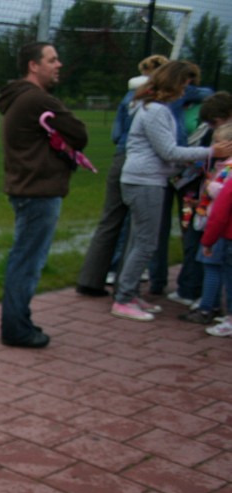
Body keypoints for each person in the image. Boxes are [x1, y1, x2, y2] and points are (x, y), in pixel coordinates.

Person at [111, 61, 232, 322]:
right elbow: (168, 151)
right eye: (184, 85)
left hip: (145, 179)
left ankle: (129, 293)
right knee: (146, 243)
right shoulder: (155, 110)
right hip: (145, 182)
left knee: (139, 241)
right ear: (172, 84)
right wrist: (212, 152)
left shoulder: (153, 108)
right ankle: (124, 298)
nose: (186, 91)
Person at [0, 42, 88, 347]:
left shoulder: (19, 97)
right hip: (38, 190)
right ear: (33, 66)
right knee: (27, 261)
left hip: (27, 187)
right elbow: (79, 134)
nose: (58, 65)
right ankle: (16, 329)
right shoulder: (37, 99)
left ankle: (17, 321)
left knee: (24, 257)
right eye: (52, 59)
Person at [76, 54, 168, 297]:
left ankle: (91, 279)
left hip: (121, 157)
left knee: (109, 220)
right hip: (143, 164)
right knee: (136, 226)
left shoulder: (129, 98)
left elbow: (116, 134)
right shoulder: (157, 103)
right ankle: (125, 287)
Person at [151, 64, 214, 303]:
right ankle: (157, 281)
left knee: (191, 229)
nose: (186, 87)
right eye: (183, 81)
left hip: (191, 180)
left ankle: (189, 286)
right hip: (166, 173)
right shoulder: (165, 106)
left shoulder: (203, 105)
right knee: (158, 229)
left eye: (190, 82)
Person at [188, 126, 232, 332]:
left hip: (222, 230)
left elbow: (222, 203)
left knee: (213, 266)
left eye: (218, 141)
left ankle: (207, 308)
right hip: (221, 228)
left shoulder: (228, 169)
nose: (214, 146)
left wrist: (211, 187)